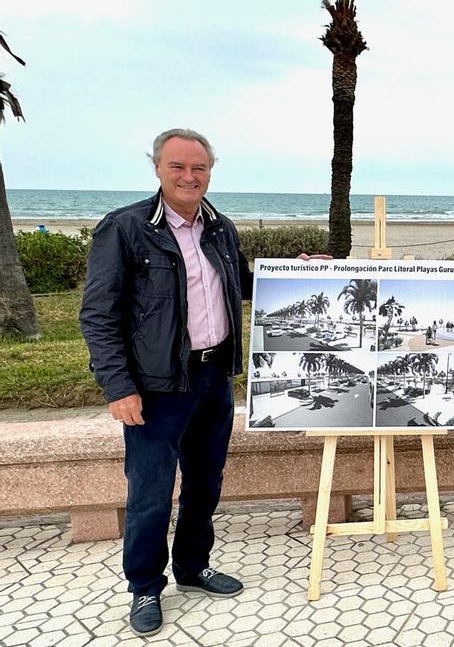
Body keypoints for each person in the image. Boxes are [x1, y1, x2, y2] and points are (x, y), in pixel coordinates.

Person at [79, 129, 326, 637]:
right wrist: (117, 386)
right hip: (156, 384)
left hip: (214, 375)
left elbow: (238, 284)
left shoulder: (220, 227)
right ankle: (145, 585)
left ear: (210, 171)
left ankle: (193, 567)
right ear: (157, 168)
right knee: (150, 490)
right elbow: (98, 315)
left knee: (205, 482)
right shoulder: (124, 228)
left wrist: (292, 272)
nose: (189, 177)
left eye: (199, 168)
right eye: (178, 167)